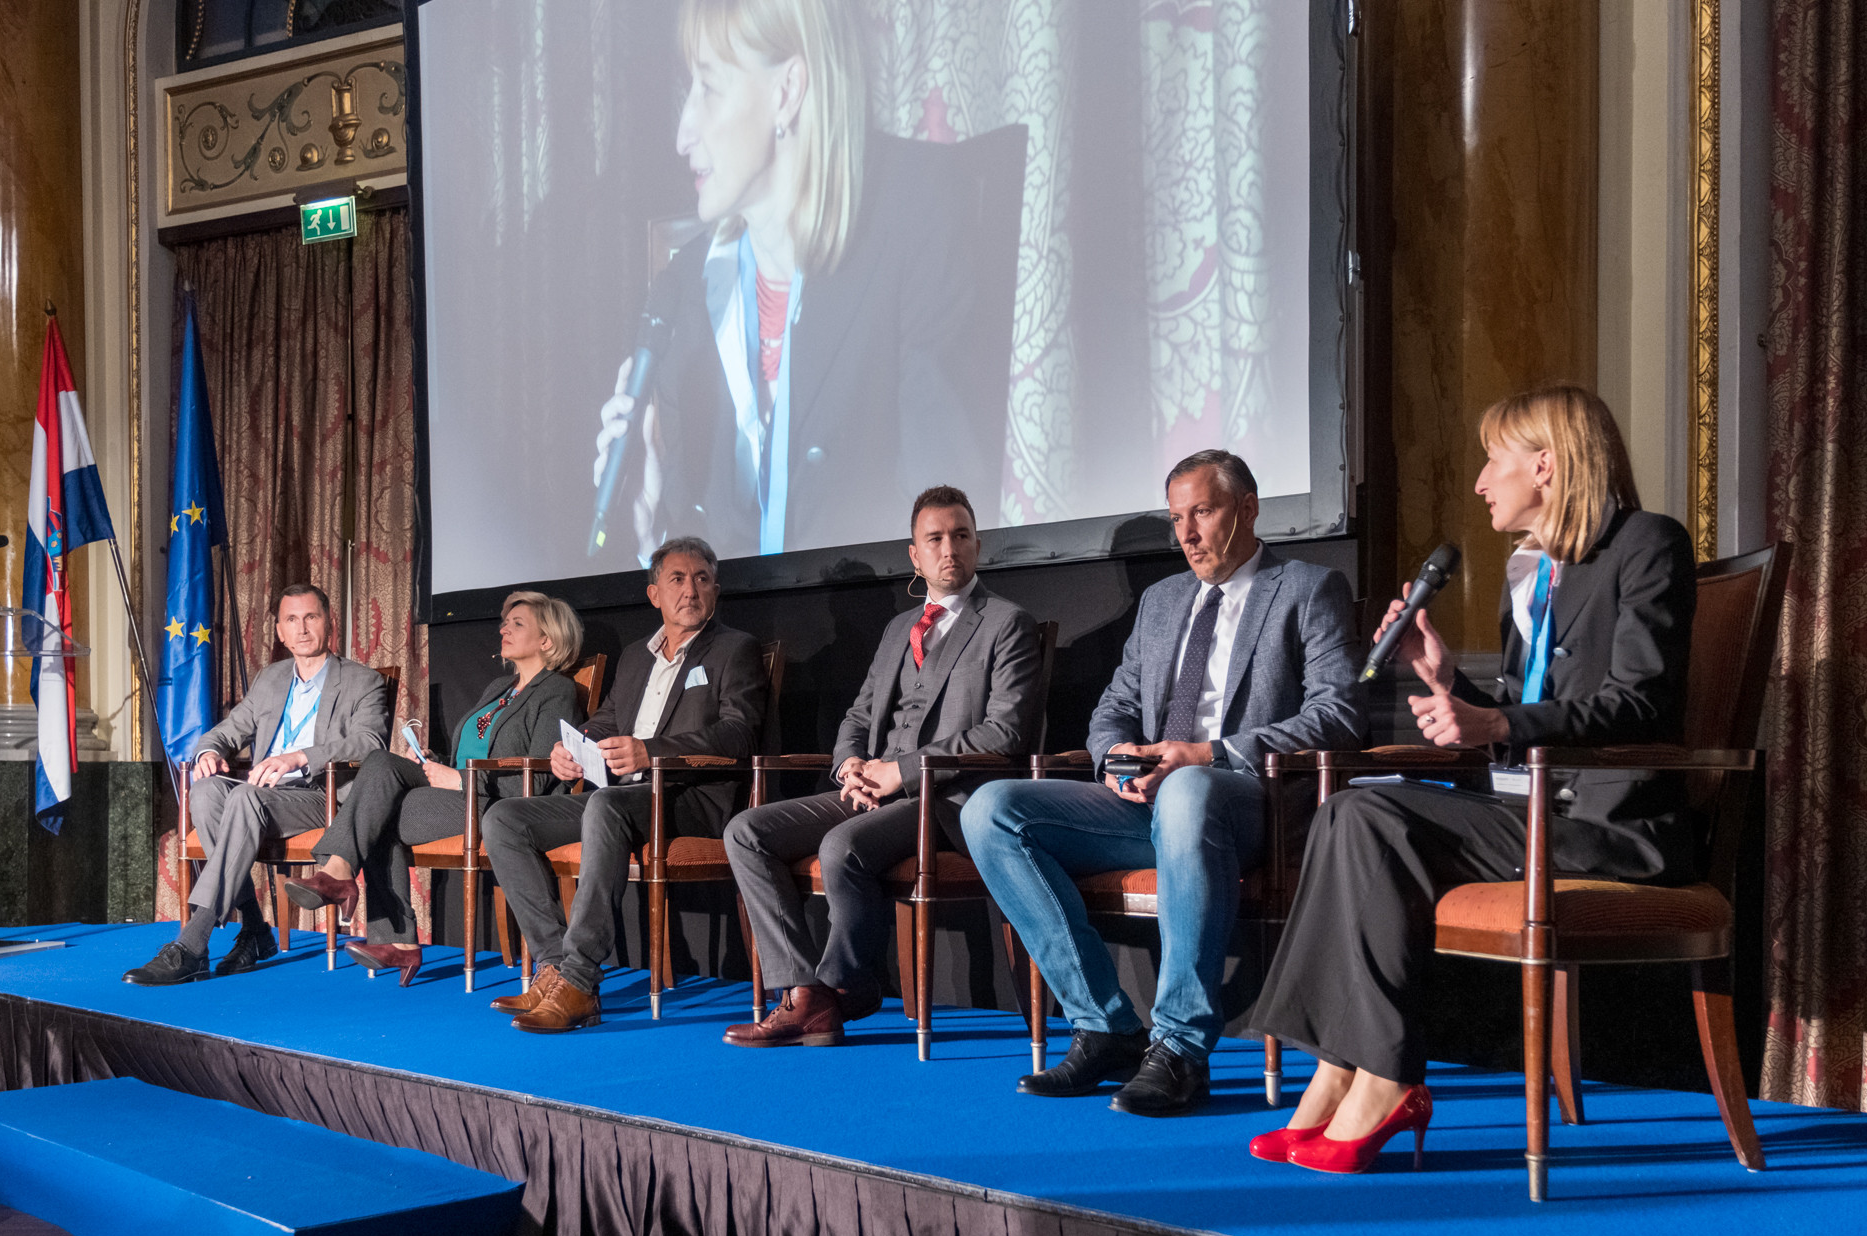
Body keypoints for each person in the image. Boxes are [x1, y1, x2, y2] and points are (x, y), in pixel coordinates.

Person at [1244, 385, 1697, 1173]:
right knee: (1350, 810)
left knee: (1366, 817)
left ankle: (1380, 1073)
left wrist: (1493, 724)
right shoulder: (1531, 575)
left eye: (1495, 461)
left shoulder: (1646, 544)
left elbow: (1638, 703)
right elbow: (1531, 714)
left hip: (1609, 826)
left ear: (1547, 465)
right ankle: (1340, 1067)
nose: (1482, 481)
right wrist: (1450, 680)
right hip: (1531, 808)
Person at [961, 451, 1367, 1115]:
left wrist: (1205, 753)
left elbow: (1338, 715)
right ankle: (1106, 1023)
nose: (1187, 532)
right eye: (1178, 517)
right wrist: (1115, 755)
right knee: (991, 810)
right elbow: (1114, 706)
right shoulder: (1161, 601)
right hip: (1147, 803)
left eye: (1202, 511)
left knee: (1187, 787)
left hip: (1248, 803)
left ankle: (1180, 1047)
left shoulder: (1304, 589)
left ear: (1248, 507)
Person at [591, 0, 996, 566]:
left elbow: (946, 500)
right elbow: (702, 547)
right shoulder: (684, 288)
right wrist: (650, 524)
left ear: (787, 90)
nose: (683, 133)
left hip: (883, 629)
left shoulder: (917, 208)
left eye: (708, 87)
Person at [721, 486, 1042, 1047]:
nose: (950, 549)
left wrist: (902, 773)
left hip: (947, 799)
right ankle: (806, 993)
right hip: (876, 788)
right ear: (914, 555)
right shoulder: (899, 629)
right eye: (935, 539)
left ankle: (846, 981)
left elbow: (1004, 733)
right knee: (747, 832)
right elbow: (859, 714)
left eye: (961, 536)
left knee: (842, 846)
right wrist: (850, 766)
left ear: (978, 544)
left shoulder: (1005, 622)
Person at [482, 537, 768, 1032]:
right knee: (504, 819)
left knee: (605, 806)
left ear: (716, 590)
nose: (690, 590)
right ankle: (553, 968)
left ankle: (579, 978)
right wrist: (571, 748)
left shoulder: (733, 649)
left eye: (701, 579)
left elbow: (737, 732)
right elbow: (607, 719)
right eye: (677, 579)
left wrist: (650, 750)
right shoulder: (637, 656)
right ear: (654, 593)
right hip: (621, 798)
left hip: (692, 798)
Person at [282, 592, 587, 986]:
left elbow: (539, 777)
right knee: (380, 765)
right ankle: (343, 878)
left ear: (546, 640)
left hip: (500, 806)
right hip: (460, 792)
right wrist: (433, 758)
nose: (503, 629)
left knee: (379, 812)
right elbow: (473, 753)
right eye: (504, 622)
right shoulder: (499, 686)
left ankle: (381, 922)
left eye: (517, 624)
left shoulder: (556, 691)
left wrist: (459, 780)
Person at [123, 583, 391, 985]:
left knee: (245, 797)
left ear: (329, 623)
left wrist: (299, 757)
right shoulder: (272, 678)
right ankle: (253, 925)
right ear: (280, 633)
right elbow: (227, 731)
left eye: (311, 617)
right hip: (265, 796)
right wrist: (209, 753)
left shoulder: (362, 681)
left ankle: (194, 941)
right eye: (291, 620)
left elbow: (371, 743)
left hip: (320, 795)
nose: (301, 629)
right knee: (210, 790)